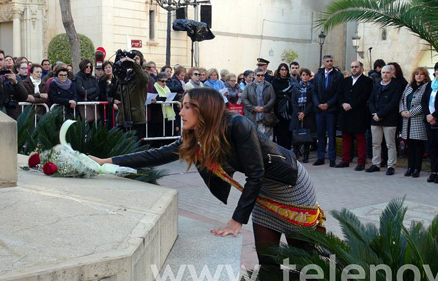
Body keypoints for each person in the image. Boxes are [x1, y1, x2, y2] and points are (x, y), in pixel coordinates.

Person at [88, 87, 323, 279]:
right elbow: (156, 155)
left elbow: (256, 174)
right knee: (268, 261)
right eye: (182, 106)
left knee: (302, 261)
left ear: (205, 109)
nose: (182, 112)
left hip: (291, 188)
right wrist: (106, 161)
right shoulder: (197, 136)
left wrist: (236, 220)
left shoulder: (238, 125)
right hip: (262, 194)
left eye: (189, 106)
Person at [335, 61, 373, 171]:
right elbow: (340, 94)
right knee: (346, 137)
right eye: (352, 67)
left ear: (361, 68)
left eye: (356, 67)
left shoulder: (367, 81)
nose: (354, 69)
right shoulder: (345, 81)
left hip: (359, 113)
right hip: (345, 113)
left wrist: (352, 105)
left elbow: (364, 96)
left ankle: (361, 161)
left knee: (360, 138)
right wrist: (343, 104)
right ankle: (345, 160)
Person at [366, 65, 402, 175]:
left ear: (392, 74)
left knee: (390, 144)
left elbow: (393, 103)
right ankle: (376, 163)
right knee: (375, 143)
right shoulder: (376, 85)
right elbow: (370, 101)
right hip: (375, 118)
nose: (385, 75)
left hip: (389, 119)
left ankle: (391, 165)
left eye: (387, 72)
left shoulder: (396, 86)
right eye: (383, 72)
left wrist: (381, 114)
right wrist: (374, 113)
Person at [312, 55, 344, 167]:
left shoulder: (338, 75)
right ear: (323, 62)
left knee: (331, 134)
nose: (330, 63)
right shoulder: (318, 75)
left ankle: (332, 158)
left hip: (331, 109)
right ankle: (320, 157)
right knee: (320, 134)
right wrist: (318, 104)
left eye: (331, 61)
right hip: (319, 109)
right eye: (327, 61)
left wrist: (328, 104)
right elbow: (314, 91)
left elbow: (338, 93)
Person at [399, 67, 430, 178]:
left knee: (418, 146)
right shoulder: (409, 86)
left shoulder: (427, 87)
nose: (419, 76)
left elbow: (424, 104)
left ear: (425, 76)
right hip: (407, 120)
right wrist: (402, 111)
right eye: (417, 74)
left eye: (421, 74)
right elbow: (402, 99)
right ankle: (410, 167)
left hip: (417, 120)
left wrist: (411, 112)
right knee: (410, 145)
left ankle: (417, 168)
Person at [111, 51, 149, 139]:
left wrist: (134, 63)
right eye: (133, 58)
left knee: (136, 146)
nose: (133, 60)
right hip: (123, 117)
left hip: (137, 118)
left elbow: (144, 79)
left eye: (137, 58)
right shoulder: (124, 77)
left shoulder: (143, 76)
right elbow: (116, 93)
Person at [0, 48, 28, 120]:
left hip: (11, 116)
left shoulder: (12, 75)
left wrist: (15, 82)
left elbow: (24, 96)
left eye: (1, 59)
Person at [242, 68, 277, 140]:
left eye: (262, 75)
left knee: (268, 139)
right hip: (253, 116)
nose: (261, 77)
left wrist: (265, 107)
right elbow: (244, 99)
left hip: (266, 116)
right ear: (254, 76)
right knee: (254, 139)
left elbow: (272, 98)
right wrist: (253, 108)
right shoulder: (248, 86)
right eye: (258, 75)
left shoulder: (269, 86)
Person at [290, 68, 316, 163]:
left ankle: (306, 155)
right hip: (297, 114)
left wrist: (304, 112)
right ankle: (296, 153)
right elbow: (293, 101)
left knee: (307, 136)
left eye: (307, 75)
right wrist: (298, 112)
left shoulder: (311, 87)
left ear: (309, 76)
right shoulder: (296, 87)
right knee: (296, 134)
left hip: (307, 114)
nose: (305, 77)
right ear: (300, 76)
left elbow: (312, 102)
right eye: (303, 75)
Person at [271, 63, 293, 150]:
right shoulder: (275, 81)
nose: (284, 71)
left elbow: (293, 94)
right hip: (278, 110)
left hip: (289, 110)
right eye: (282, 70)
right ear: (279, 71)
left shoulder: (291, 81)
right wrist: (283, 95)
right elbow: (274, 94)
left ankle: (288, 151)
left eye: (285, 70)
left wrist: (284, 95)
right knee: (280, 132)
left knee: (288, 132)